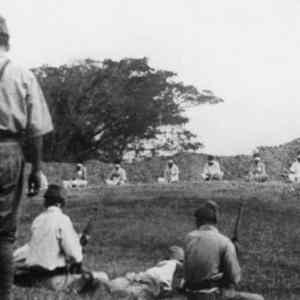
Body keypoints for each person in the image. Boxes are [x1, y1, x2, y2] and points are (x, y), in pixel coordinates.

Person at [0, 15, 53, 300]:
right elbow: (36, 130)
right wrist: (36, 169)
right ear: (7, 40)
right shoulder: (22, 74)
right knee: (5, 234)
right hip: (8, 150)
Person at [14, 184, 108, 294]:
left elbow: (38, 245)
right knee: (102, 276)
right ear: (60, 203)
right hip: (53, 280)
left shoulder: (37, 220)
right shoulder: (62, 219)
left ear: (46, 202)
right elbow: (75, 255)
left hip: (33, 278)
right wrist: (79, 246)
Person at [184, 202, 264, 300]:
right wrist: (234, 252)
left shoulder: (189, 238)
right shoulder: (224, 242)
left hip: (190, 293)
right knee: (258, 299)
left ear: (200, 221)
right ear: (215, 222)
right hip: (211, 295)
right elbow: (235, 278)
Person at [105, 246, 184, 299]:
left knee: (124, 284)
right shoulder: (177, 265)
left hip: (144, 276)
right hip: (154, 282)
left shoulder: (164, 264)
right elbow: (181, 284)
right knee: (135, 291)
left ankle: (106, 284)